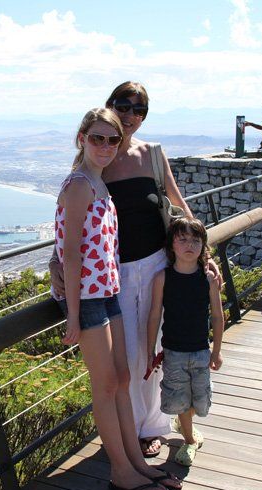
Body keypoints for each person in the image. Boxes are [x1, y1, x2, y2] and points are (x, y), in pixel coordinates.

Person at [51, 81, 221, 460]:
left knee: (155, 346)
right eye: (123, 106)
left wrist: (204, 253)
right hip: (118, 273)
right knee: (127, 356)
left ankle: (154, 424)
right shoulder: (99, 160)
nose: (130, 116)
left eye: (139, 110)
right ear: (108, 106)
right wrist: (54, 261)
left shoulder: (152, 154)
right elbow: (70, 223)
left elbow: (180, 203)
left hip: (159, 265)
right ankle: (133, 433)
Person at [51, 107, 181, 490]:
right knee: (106, 385)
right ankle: (121, 470)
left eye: (112, 139)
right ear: (81, 139)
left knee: (122, 380)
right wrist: (72, 313)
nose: (106, 145)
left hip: (107, 293)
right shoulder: (79, 185)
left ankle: (137, 464)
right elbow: (70, 253)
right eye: (97, 138)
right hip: (87, 300)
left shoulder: (100, 182)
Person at [146, 217, 223, 467]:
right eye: (183, 240)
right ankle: (189, 439)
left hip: (201, 350)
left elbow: (217, 315)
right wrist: (150, 350)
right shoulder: (162, 278)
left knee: (199, 398)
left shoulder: (208, 279)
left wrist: (217, 351)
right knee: (180, 397)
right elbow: (155, 314)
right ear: (171, 246)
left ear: (203, 246)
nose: (189, 245)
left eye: (195, 240)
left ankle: (185, 425)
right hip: (173, 352)